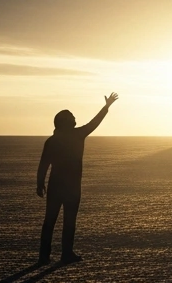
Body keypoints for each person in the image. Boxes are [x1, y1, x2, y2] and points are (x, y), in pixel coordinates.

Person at [37, 93, 118, 264]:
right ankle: (65, 253)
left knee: (50, 221)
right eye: (72, 117)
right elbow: (94, 123)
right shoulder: (77, 135)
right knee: (68, 221)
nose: (75, 119)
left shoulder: (52, 141)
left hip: (56, 185)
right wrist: (106, 107)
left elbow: (44, 164)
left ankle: (45, 256)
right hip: (72, 187)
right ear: (66, 122)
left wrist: (40, 183)